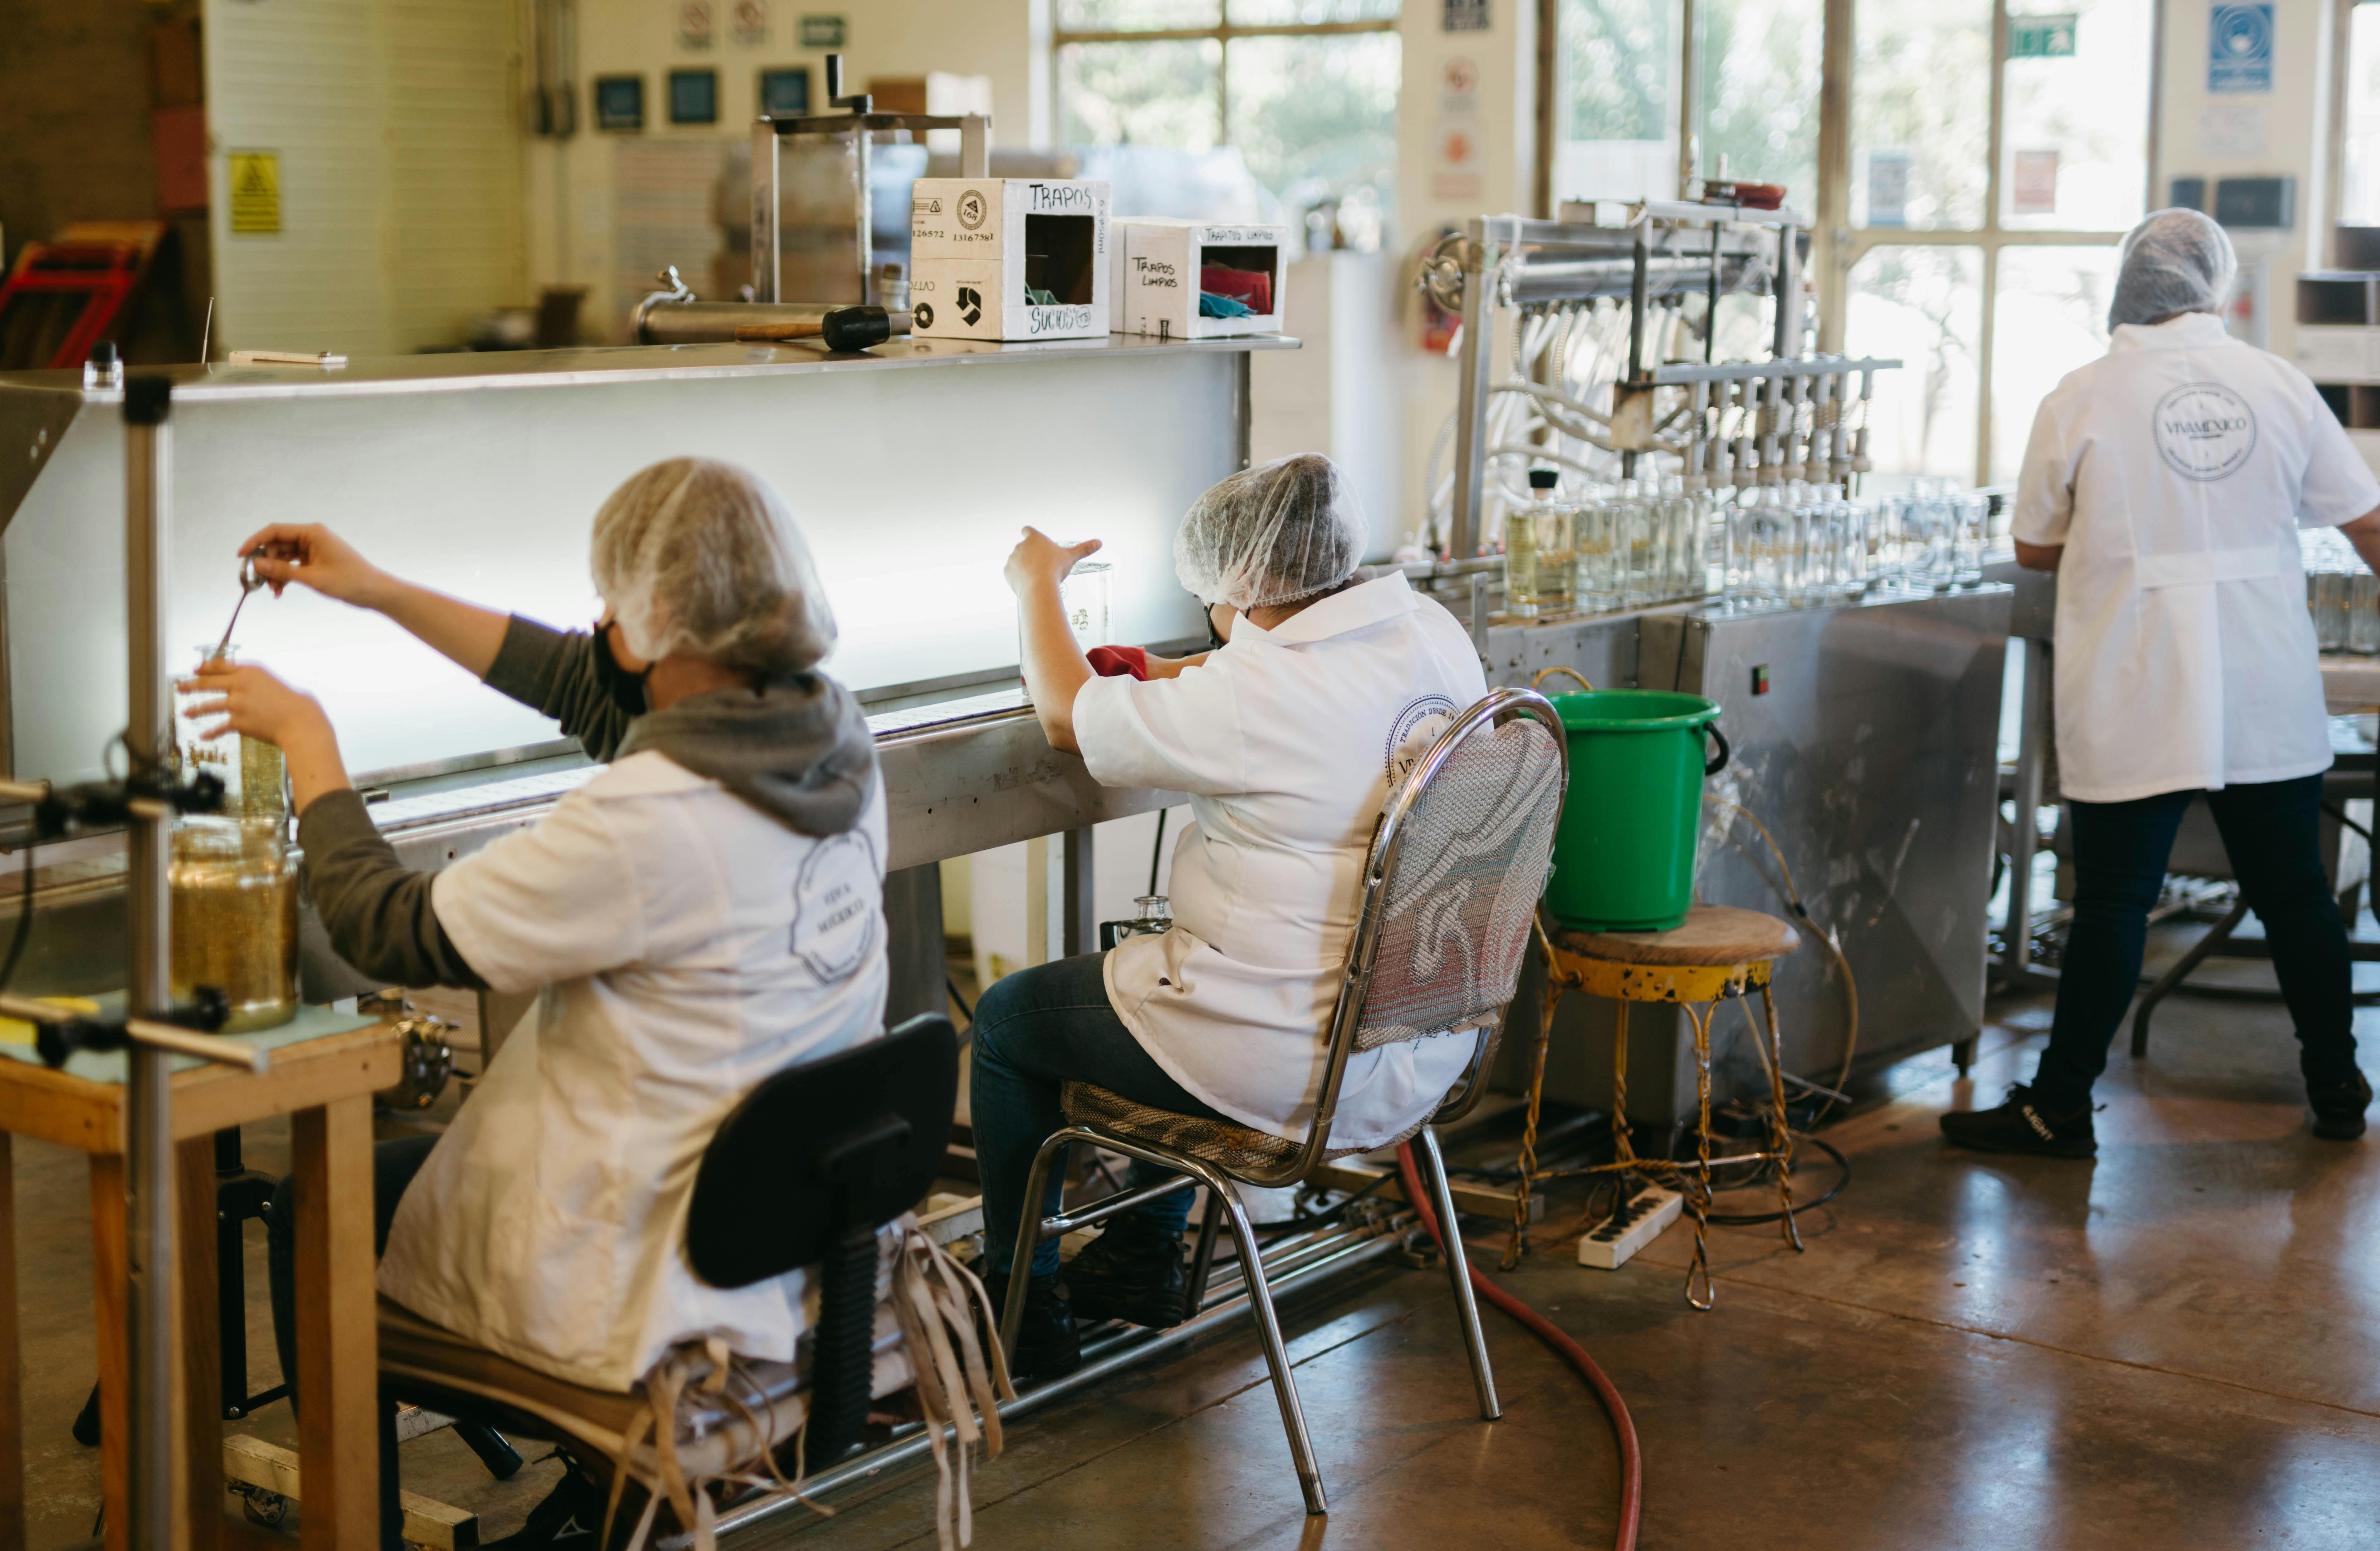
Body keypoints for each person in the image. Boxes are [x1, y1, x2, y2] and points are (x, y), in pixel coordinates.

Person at [185, 459, 886, 1549]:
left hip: (647, 1263)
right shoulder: (828, 737)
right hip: (777, 1228)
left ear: (655, 626)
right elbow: (582, 682)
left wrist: (308, 741)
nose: (596, 626)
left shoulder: (648, 822)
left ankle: (351, 1516)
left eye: (610, 604)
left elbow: (390, 928)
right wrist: (375, 588)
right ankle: (600, 1491)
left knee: (317, 1203)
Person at [976, 453, 1489, 1378]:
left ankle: (1024, 1309)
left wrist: (1037, 583)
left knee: (1011, 1024)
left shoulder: (1255, 698)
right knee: (1163, 981)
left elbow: (1063, 715)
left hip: (1287, 1067)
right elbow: (1282, 688)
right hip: (1423, 1044)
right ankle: (1140, 1257)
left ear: (1243, 586)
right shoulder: (1427, 631)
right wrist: (1176, 676)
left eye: (1215, 597)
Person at [1942, 210, 2380, 1161]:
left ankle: (2062, 1106)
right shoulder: (2276, 383)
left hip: (2140, 676)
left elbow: (2036, 548)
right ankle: (2337, 1082)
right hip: (2260, 679)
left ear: (2127, 285)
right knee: (2295, 894)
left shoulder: (2081, 395)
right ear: (2216, 286)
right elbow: (2368, 513)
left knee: (2117, 900)